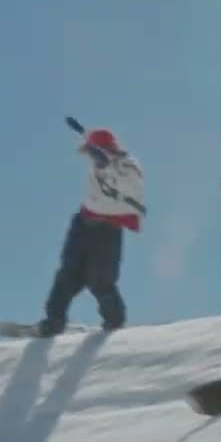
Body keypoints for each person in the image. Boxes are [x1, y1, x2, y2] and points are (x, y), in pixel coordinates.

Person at [36, 127, 145, 337]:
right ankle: (53, 321)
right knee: (67, 274)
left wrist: (108, 164)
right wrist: (100, 161)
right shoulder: (96, 166)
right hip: (83, 224)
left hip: (108, 228)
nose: (90, 158)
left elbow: (130, 187)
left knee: (100, 278)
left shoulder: (128, 165)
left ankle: (114, 322)